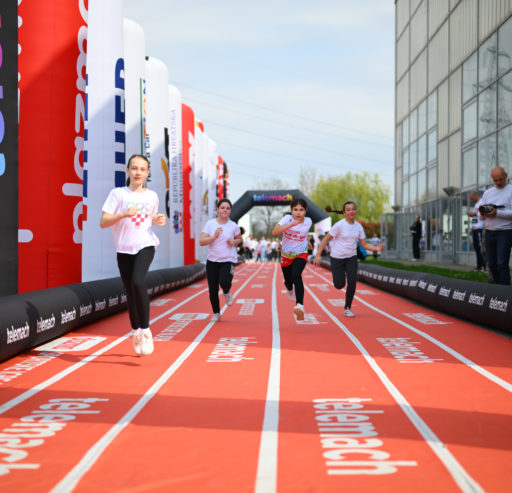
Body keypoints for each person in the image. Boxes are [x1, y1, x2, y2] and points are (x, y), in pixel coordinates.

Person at [100, 154, 166, 356]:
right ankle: (135, 331)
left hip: (145, 245)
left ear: (147, 173)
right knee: (130, 290)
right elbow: (103, 222)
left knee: (138, 282)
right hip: (123, 248)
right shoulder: (118, 194)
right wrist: (122, 214)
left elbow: (148, 219)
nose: (138, 172)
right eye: (134, 168)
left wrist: (156, 219)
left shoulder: (152, 196)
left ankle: (146, 330)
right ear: (128, 171)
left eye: (142, 169)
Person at [314, 201, 383, 317]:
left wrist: (376, 249)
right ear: (344, 212)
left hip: (351, 257)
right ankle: (339, 279)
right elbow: (325, 240)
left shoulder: (359, 227)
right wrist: (318, 255)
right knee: (339, 285)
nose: (351, 211)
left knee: (352, 281)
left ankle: (347, 308)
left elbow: (364, 244)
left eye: (353, 209)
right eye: (348, 209)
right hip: (337, 258)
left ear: (355, 211)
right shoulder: (339, 225)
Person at [199, 198, 242, 321]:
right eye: (222, 208)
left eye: (227, 208)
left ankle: (227, 292)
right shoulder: (210, 224)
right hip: (212, 260)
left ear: (230, 211)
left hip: (228, 259)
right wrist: (214, 236)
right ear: (217, 209)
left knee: (224, 282)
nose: (225, 210)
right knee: (212, 289)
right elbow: (201, 241)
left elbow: (240, 239)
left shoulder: (233, 226)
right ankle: (216, 313)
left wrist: (234, 241)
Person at [272, 197, 312, 321]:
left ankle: (300, 305)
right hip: (286, 255)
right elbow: (274, 232)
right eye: (295, 210)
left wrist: (307, 243)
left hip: (300, 253)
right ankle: (289, 288)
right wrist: (291, 224)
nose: (298, 212)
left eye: (301, 210)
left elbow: (304, 234)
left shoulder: (308, 221)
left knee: (296, 275)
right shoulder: (287, 219)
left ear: (305, 211)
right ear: (291, 211)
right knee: (289, 281)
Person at [479, 166, 512, 285]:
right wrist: (483, 213)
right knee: (492, 265)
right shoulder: (488, 193)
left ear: (506, 176)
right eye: (495, 180)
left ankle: (506, 295)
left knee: (502, 264)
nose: (498, 182)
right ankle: (497, 292)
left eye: (500, 179)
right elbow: (480, 216)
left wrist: (497, 212)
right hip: (489, 232)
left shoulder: (510, 190)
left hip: (505, 232)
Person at [466, 190, 486, 272]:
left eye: (471, 198)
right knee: (477, 248)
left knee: (481, 248)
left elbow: (483, 214)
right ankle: (479, 266)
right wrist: (471, 214)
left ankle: (484, 267)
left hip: (480, 228)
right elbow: (476, 216)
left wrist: (473, 214)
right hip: (475, 228)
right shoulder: (476, 204)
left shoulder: (482, 202)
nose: (471, 200)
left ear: (475, 195)